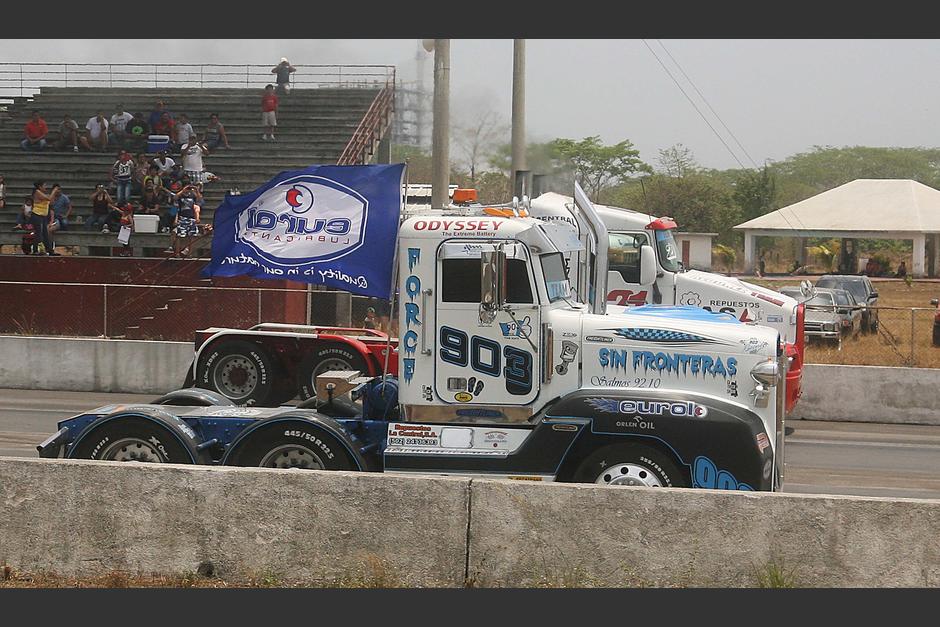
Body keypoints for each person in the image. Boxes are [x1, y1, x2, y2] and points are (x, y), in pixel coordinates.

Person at [171, 183, 202, 257]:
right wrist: (183, 190)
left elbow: (199, 198)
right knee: (179, 236)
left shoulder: (192, 196)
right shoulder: (180, 196)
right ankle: (177, 253)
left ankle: (190, 253)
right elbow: (175, 197)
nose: (188, 190)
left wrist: (196, 189)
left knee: (191, 236)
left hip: (191, 218)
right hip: (182, 217)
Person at [30, 181, 58, 255]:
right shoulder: (37, 192)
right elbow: (48, 198)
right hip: (36, 215)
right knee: (39, 233)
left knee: (45, 234)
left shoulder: (43, 193)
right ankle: (35, 250)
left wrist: (54, 194)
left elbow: (51, 202)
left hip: (43, 216)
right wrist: (54, 191)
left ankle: (50, 250)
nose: (46, 187)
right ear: (40, 186)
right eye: (44, 185)